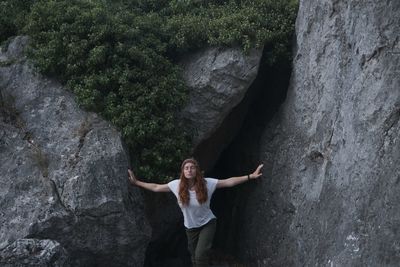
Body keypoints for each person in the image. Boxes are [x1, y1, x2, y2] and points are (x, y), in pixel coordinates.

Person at [128, 158, 263, 267]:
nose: (189, 170)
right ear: (183, 171)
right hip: (190, 228)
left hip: (207, 224)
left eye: (192, 167)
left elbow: (228, 182)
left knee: (199, 255)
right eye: (186, 168)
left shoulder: (207, 183)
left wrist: (250, 176)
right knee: (194, 257)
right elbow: (156, 187)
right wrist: (137, 182)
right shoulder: (177, 185)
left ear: (196, 170)